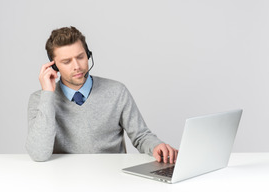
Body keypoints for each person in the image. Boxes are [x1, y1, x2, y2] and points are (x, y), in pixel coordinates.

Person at [26, 26, 178, 163]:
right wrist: (48, 94)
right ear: (54, 66)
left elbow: (141, 136)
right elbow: (39, 154)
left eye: (80, 57)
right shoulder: (40, 99)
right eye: (67, 62)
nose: (77, 66)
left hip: (111, 178)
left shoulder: (117, 91)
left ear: (88, 55)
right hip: (64, 180)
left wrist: (157, 146)